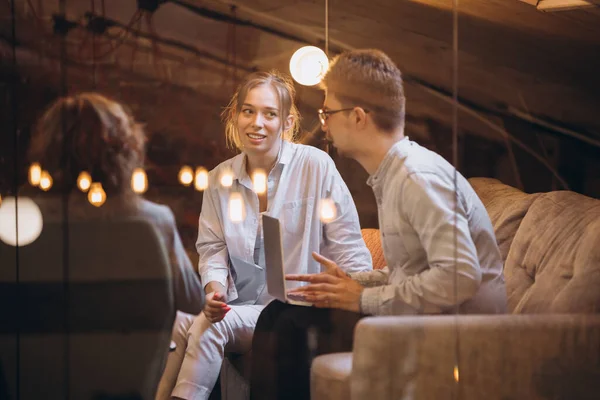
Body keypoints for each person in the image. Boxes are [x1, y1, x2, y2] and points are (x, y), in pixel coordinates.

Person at [250, 49, 507, 400]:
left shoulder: (417, 177)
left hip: (457, 340)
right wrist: (353, 283)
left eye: (327, 112)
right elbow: (415, 271)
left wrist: (365, 298)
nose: (323, 123)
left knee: (289, 325)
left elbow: (460, 276)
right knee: (281, 314)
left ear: (358, 117)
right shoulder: (394, 175)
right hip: (424, 322)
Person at [156, 70, 372, 400]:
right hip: (237, 303)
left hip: (290, 310)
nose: (257, 123)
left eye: (270, 114)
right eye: (248, 111)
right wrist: (213, 291)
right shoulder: (219, 178)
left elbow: (349, 246)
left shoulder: (315, 165)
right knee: (179, 321)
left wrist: (355, 298)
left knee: (211, 327)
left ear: (287, 122)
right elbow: (212, 247)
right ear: (235, 116)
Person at [26, 92, 206, 398]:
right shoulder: (153, 220)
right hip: (126, 388)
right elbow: (192, 300)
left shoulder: (23, 222)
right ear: (124, 148)